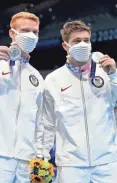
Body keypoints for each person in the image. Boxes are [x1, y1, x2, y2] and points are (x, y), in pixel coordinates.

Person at [40, 20, 117, 183]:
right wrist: (42, 157)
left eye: (86, 40)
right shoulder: (53, 80)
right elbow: (47, 123)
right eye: (77, 41)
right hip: (70, 166)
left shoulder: (107, 73)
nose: (83, 44)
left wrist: (114, 75)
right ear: (65, 46)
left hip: (107, 163)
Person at [0, 12, 44, 183]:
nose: (31, 36)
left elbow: (39, 121)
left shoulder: (37, 77)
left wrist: (40, 157)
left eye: (35, 32)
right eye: (25, 30)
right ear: (12, 33)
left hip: (26, 161)